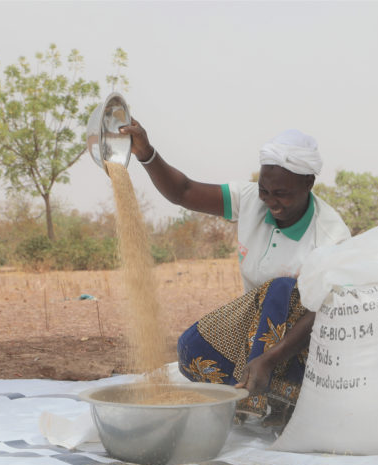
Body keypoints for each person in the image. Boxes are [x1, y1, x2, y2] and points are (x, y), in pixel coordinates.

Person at [120, 120, 350, 422]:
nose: (270, 202)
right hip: (256, 336)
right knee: (191, 349)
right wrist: (146, 153)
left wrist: (271, 358)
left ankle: (268, 397)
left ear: (308, 183)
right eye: (265, 190)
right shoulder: (251, 200)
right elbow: (184, 191)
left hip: (302, 348)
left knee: (283, 287)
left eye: (281, 193)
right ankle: (256, 393)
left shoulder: (331, 235)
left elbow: (324, 313)